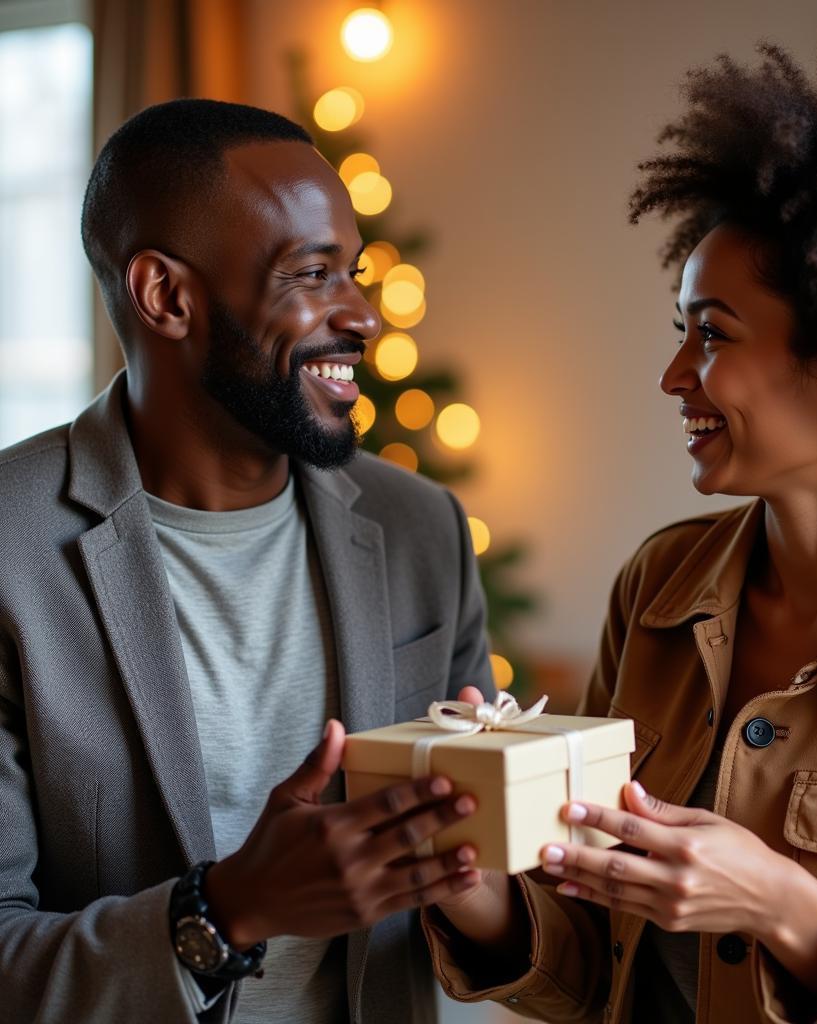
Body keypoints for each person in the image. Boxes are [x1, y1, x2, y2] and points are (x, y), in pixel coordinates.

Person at [423, 31, 817, 1023]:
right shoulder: (657, 586)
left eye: (714, 334)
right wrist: (474, 888)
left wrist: (790, 910)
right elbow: (593, 964)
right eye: (680, 331)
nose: (674, 375)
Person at [0, 98, 494, 1024]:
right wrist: (227, 913)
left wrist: (487, 869)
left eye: (353, 270)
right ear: (167, 297)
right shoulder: (7, 552)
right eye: (312, 274)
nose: (362, 317)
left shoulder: (423, 529)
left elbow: (492, 930)